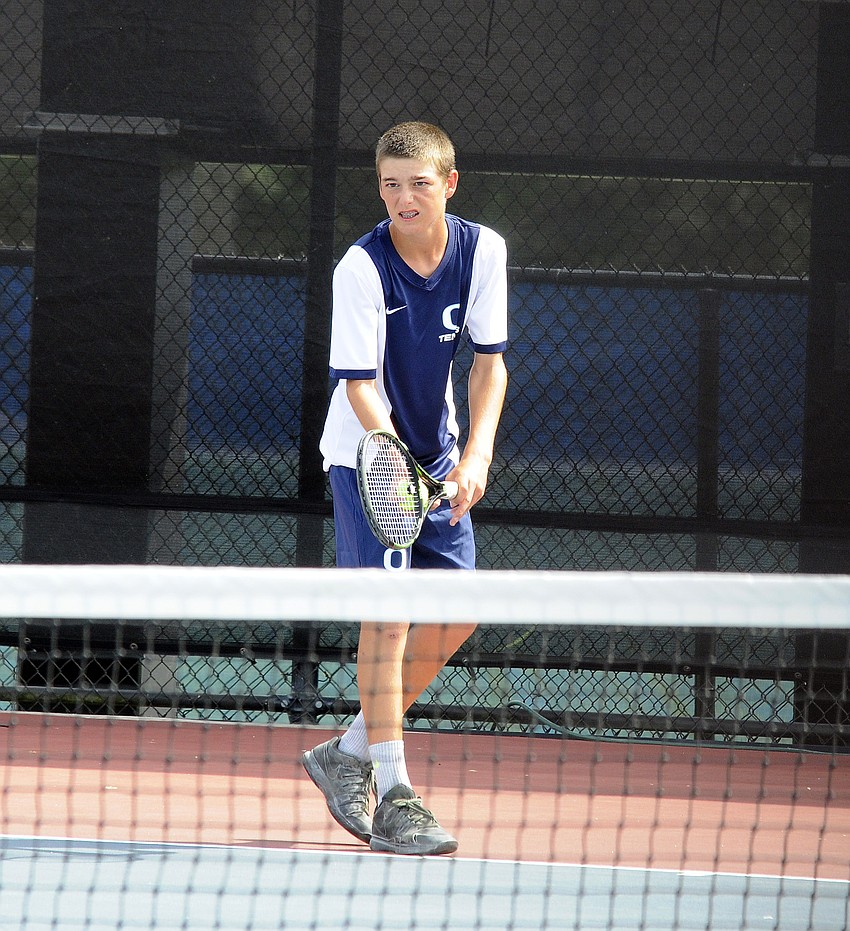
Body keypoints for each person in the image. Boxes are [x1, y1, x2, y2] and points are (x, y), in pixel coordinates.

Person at [302, 121, 508, 856]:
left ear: (449, 183)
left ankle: (347, 751)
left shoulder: (483, 251)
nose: (403, 197)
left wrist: (474, 456)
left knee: (457, 613)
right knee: (387, 620)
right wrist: (393, 464)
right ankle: (395, 794)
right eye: (390, 184)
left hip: (440, 457)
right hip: (366, 459)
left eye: (418, 182)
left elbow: (489, 363)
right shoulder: (361, 266)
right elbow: (358, 385)